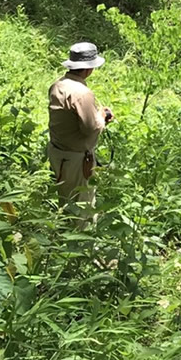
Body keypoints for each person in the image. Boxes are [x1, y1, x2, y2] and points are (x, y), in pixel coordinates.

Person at [48, 41, 113, 224]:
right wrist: (102, 116)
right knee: (82, 209)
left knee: (65, 202)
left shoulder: (58, 85)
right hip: (77, 160)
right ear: (88, 69)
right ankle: (80, 249)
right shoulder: (82, 93)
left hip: (58, 153)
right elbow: (90, 128)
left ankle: (59, 242)